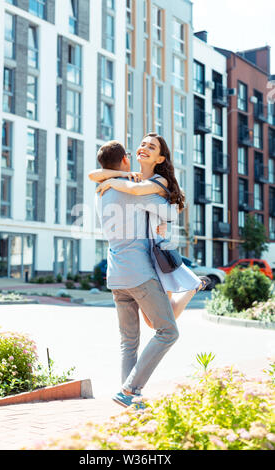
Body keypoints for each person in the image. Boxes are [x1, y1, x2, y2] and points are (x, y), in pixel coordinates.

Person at [89, 133, 210, 329]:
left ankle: (193, 287)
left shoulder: (158, 180)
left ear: (160, 159)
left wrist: (111, 182)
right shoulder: (131, 177)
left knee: (158, 322)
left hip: (158, 251)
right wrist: (117, 175)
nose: (144, 147)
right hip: (141, 256)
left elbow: (146, 197)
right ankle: (194, 286)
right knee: (154, 321)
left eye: (151, 147)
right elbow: (93, 175)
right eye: (143, 144)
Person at [94, 140, 180, 408]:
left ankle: (130, 399)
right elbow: (171, 211)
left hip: (116, 276)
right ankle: (130, 388)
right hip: (139, 273)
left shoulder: (102, 191)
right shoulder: (135, 190)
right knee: (168, 332)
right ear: (124, 162)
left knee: (129, 342)